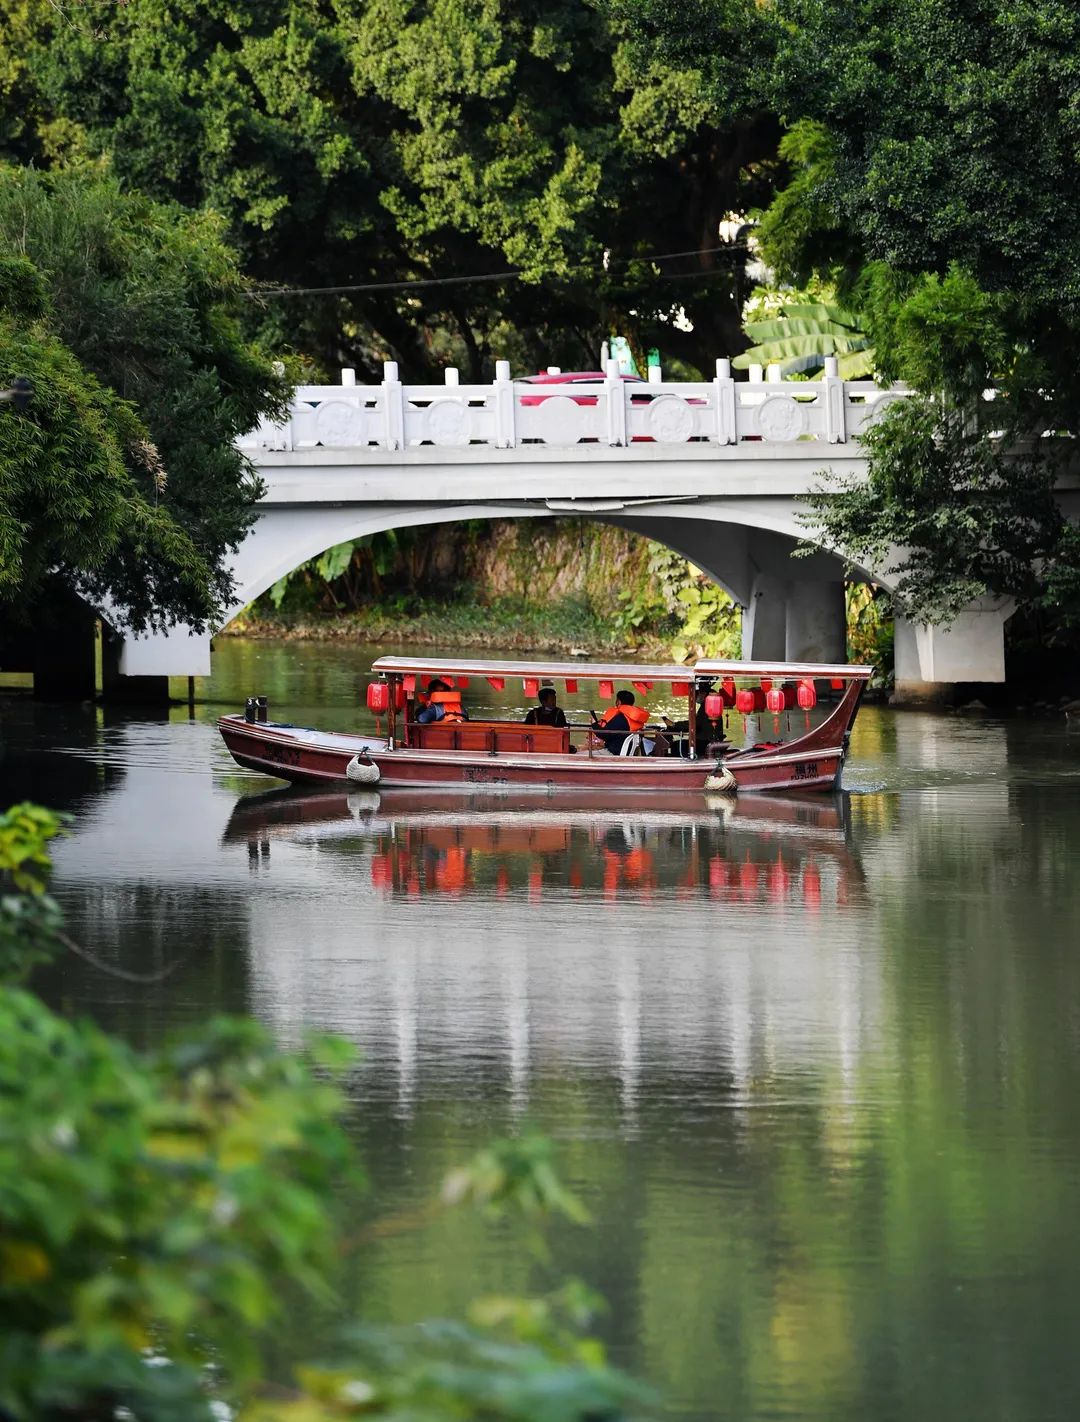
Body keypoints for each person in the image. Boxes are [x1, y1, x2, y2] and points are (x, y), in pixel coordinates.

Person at [590, 689, 666, 756]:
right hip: (626, 751)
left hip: (614, 752)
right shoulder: (633, 719)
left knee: (581, 754)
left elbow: (604, 734)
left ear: (618, 702)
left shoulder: (621, 719)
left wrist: (594, 724)